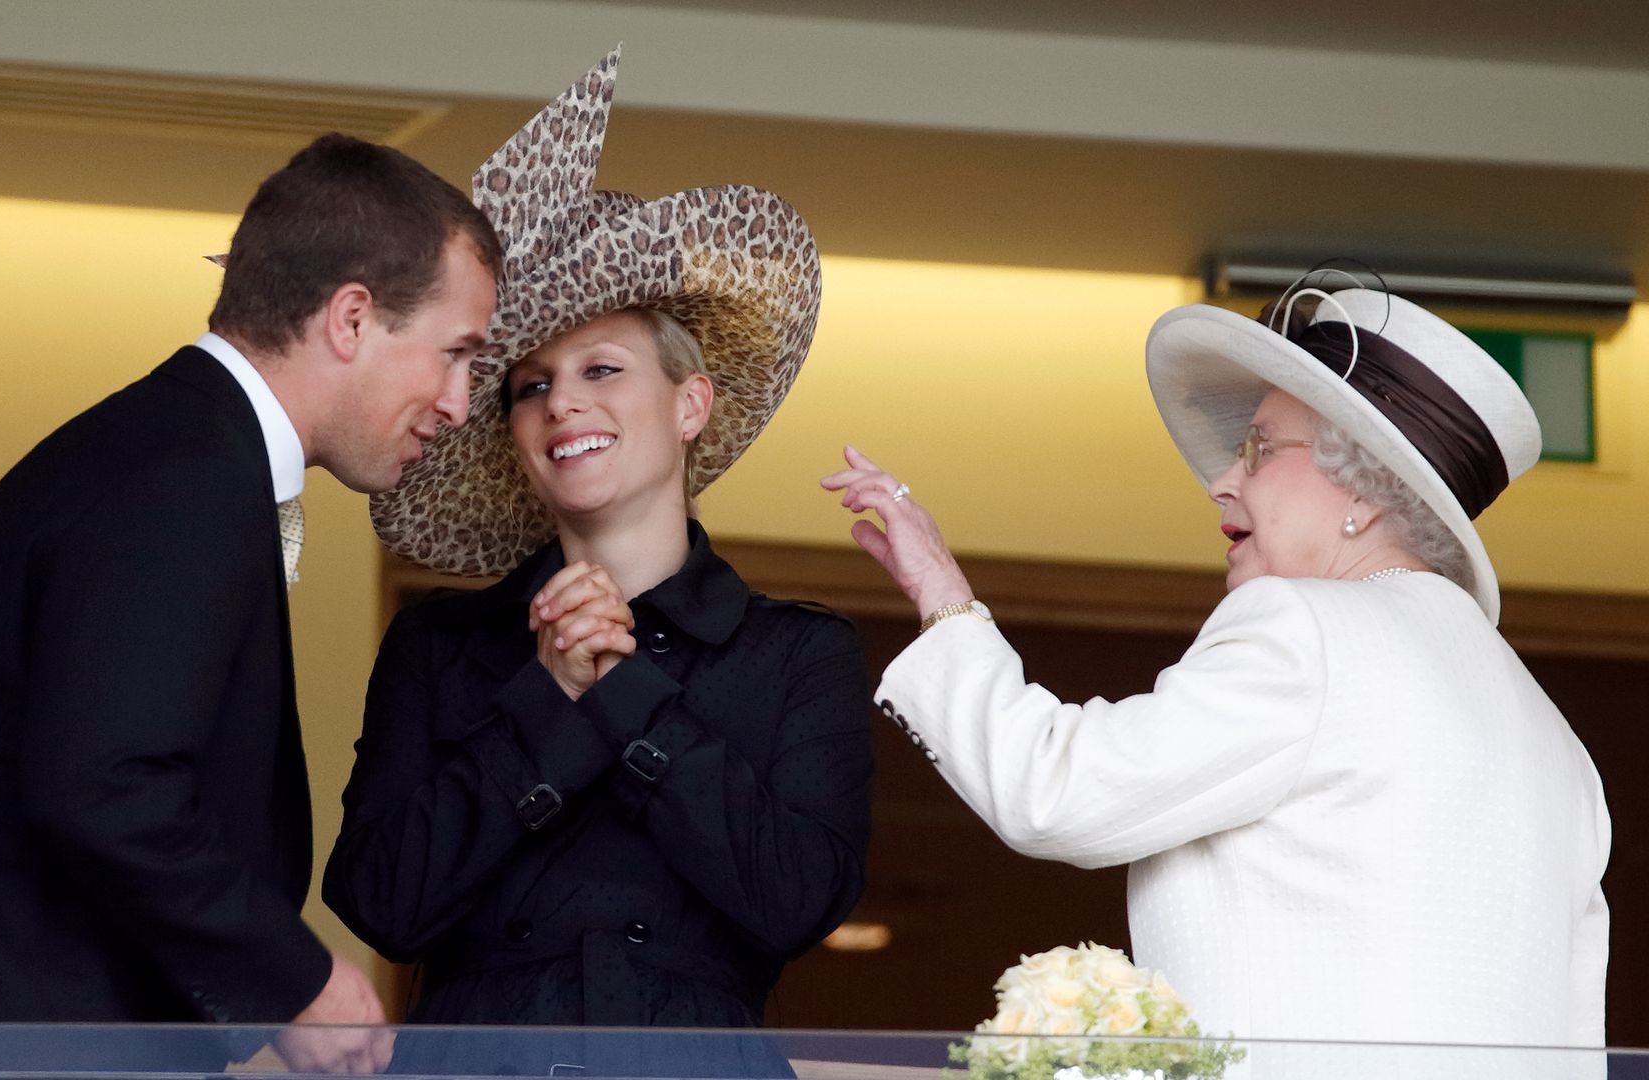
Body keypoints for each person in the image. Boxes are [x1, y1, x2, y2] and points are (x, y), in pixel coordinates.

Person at [0, 133, 502, 1075]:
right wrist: (294, 979)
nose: (462, 402)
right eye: (456, 353)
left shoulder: (164, 445)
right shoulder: (187, 480)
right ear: (350, 318)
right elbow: (106, 783)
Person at [822, 273, 1610, 1050]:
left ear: (1363, 492)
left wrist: (944, 598)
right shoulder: (1560, 746)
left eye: (1259, 450)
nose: (1224, 482)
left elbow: (1057, 789)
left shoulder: (1308, 630)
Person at [322, 51, 872, 1077]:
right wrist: (547, 696)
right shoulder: (444, 646)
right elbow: (383, 903)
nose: (561, 402)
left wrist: (625, 697)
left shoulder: (799, 654)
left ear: (690, 403)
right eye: (529, 386)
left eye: (602, 369)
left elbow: (797, 900)